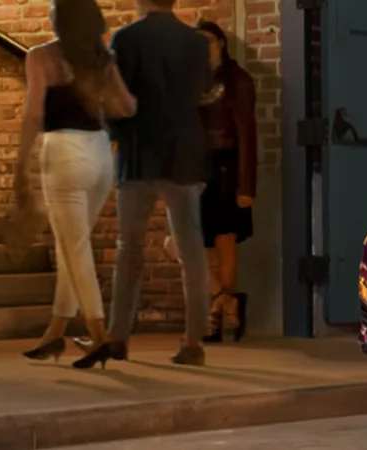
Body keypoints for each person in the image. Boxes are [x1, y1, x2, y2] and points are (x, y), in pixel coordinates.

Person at [14, 0, 137, 369]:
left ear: (58, 20)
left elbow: (35, 112)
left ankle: (100, 337)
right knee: (72, 244)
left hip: (63, 153)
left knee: (74, 246)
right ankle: (55, 333)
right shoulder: (103, 60)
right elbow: (128, 107)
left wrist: (20, 166)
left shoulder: (41, 57)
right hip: (100, 155)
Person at [101, 0, 213, 366]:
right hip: (183, 153)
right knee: (191, 249)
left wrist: (115, 132)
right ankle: (194, 340)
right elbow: (204, 94)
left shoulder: (127, 38)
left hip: (139, 153)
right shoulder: (196, 42)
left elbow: (116, 97)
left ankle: (118, 337)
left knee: (129, 249)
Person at [194, 21, 256, 343]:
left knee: (224, 242)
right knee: (193, 243)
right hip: (197, 167)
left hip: (227, 167)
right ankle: (227, 299)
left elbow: (247, 134)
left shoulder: (238, 80)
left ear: (220, 43)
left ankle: (216, 317)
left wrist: (247, 186)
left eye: (206, 41)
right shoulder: (193, 81)